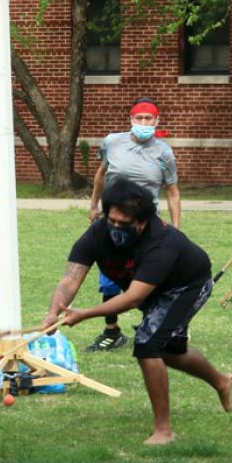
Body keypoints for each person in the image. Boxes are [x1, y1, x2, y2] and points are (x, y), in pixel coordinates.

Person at [44, 178, 232, 445]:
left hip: (186, 285)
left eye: (124, 224)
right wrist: (54, 312)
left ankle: (163, 431)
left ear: (142, 222)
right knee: (170, 351)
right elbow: (70, 279)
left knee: (147, 344)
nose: (116, 228)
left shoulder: (162, 241)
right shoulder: (98, 232)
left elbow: (134, 298)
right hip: (152, 288)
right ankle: (222, 381)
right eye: (112, 221)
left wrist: (84, 313)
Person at [86, 98, 181, 352]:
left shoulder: (164, 153)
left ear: (157, 121)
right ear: (130, 119)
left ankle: (153, 324)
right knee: (110, 276)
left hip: (146, 225)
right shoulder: (113, 142)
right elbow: (101, 175)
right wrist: (94, 205)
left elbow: (172, 191)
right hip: (113, 221)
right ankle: (111, 331)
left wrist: (175, 227)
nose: (143, 123)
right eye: (138, 118)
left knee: (149, 276)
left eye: (148, 119)